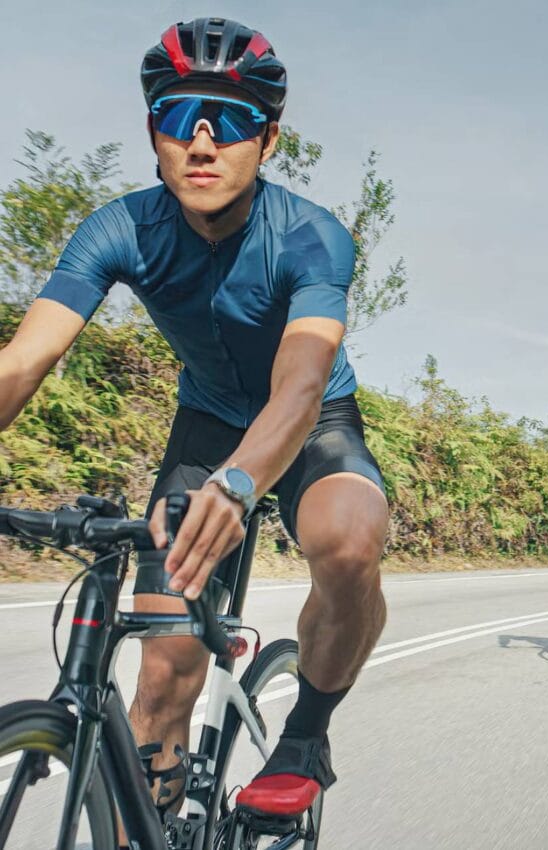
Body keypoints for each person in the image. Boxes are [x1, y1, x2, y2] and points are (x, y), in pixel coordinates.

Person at [0, 16, 387, 825]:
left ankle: (306, 736)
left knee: (350, 539)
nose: (203, 143)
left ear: (268, 139)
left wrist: (243, 482)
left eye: (233, 119)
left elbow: (301, 384)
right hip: (206, 424)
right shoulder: (119, 228)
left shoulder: (313, 237)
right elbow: (21, 362)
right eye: (180, 117)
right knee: (164, 670)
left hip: (309, 421)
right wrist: (220, 471)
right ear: (154, 132)